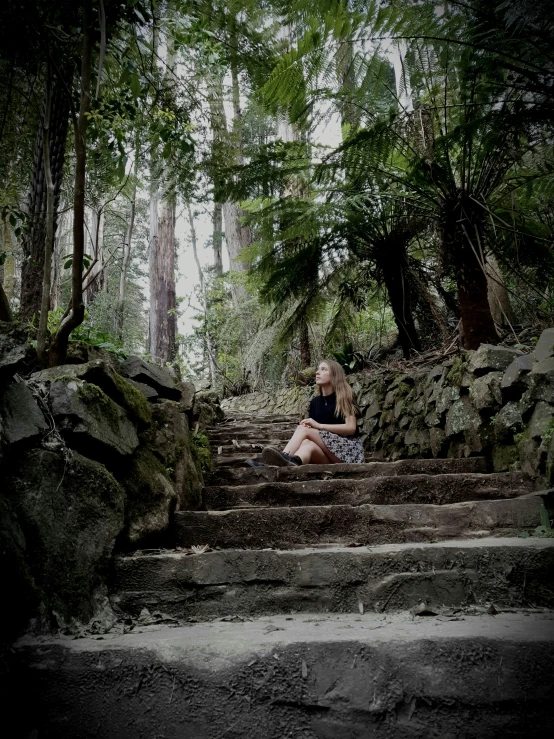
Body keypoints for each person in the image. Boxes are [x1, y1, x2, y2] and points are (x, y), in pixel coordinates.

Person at [258, 358, 365, 467]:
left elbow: (351, 428)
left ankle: (279, 458)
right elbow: (313, 433)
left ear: (334, 375)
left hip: (349, 453)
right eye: (318, 369)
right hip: (328, 457)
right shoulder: (315, 403)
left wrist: (319, 426)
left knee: (303, 430)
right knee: (307, 444)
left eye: (323, 369)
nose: (317, 372)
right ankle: (292, 463)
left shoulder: (344, 397)